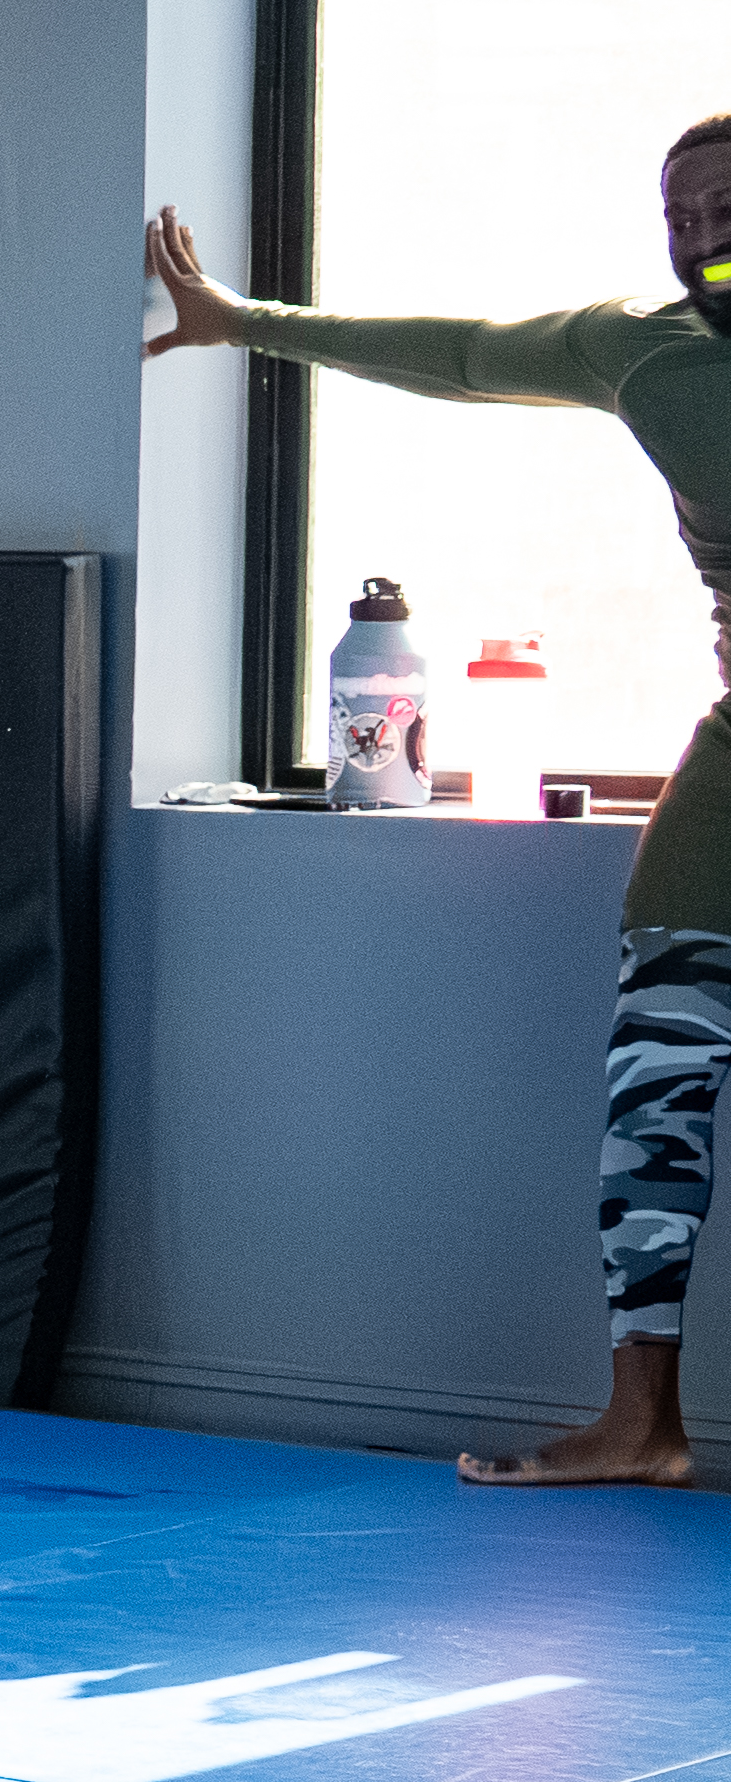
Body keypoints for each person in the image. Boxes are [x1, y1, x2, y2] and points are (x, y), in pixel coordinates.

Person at [147, 145, 731, 1483]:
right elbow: (463, 353)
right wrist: (248, 324)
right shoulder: (646, 350)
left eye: (729, 217)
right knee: (659, 1056)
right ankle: (642, 1420)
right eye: (677, 219)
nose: (700, 241)